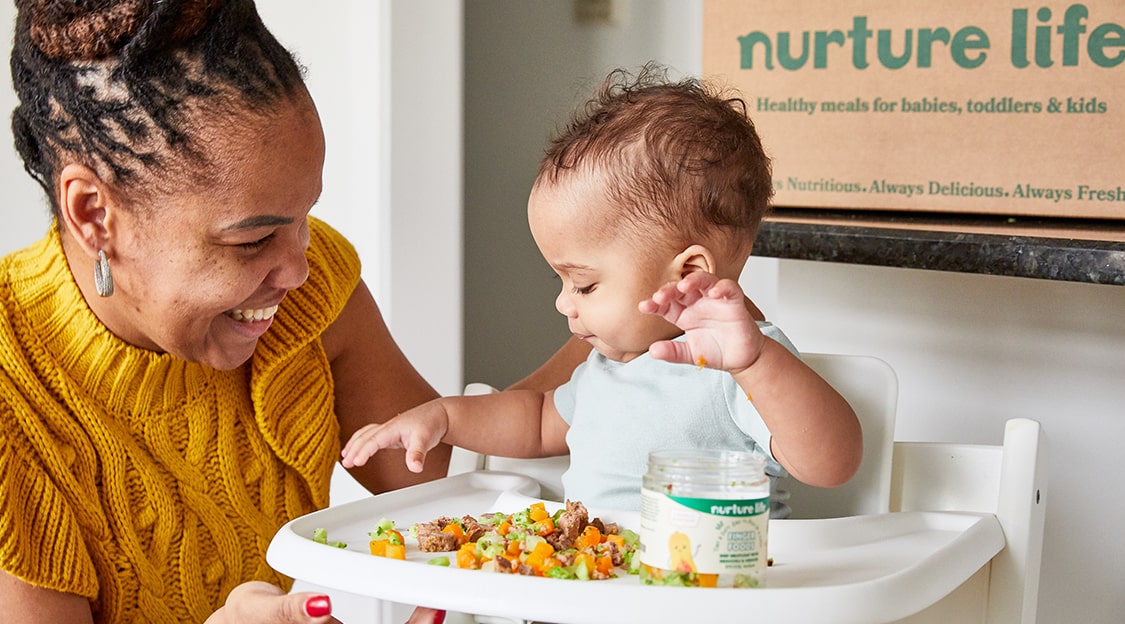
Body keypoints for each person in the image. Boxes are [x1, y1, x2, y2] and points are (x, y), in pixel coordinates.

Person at [0, 2, 585, 623]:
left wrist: (630, 321)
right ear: (93, 214)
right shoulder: (16, 399)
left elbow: (475, 489)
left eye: (303, 219)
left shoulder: (311, 298)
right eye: (252, 240)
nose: (298, 270)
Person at [341, 65, 863, 512]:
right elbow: (535, 420)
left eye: (585, 284)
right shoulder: (609, 367)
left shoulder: (741, 363)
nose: (563, 303)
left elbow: (831, 463)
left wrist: (757, 364)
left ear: (687, 274)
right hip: (594, 589)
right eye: (562, 280)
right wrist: (444, 417)